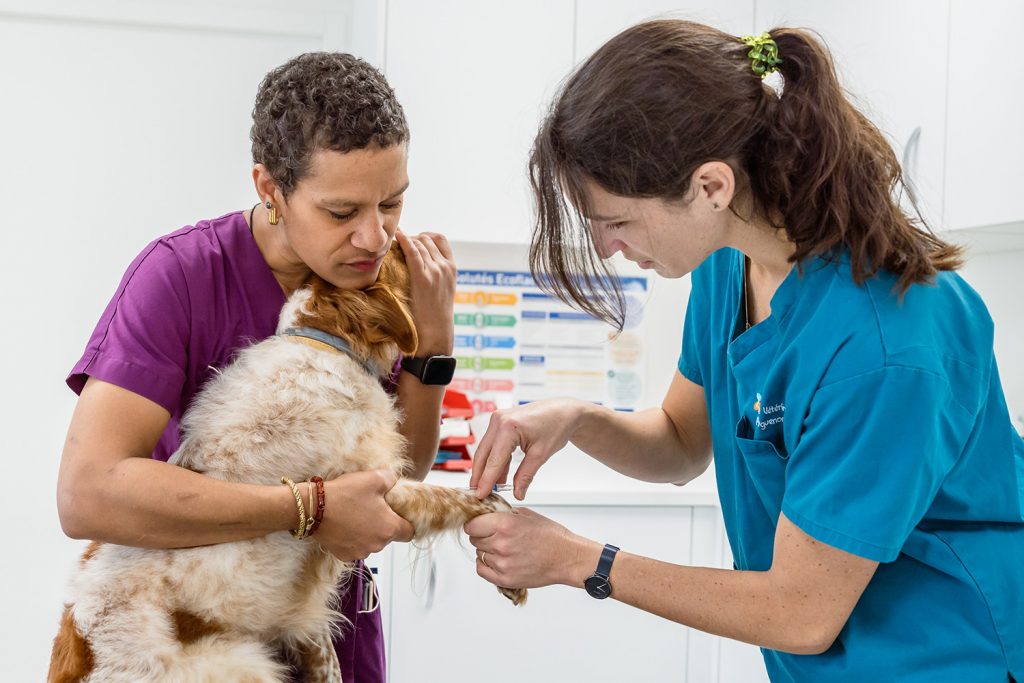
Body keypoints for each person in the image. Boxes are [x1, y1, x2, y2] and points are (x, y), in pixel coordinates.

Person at [466, 20, 1023, 682]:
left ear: (712, 187)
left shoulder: (885, 343)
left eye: (617, 221)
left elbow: (801, 614)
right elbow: (680, 442)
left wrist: (578, 560)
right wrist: (576, 418)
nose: (610, 247)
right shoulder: (727, 266)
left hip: (942, 658)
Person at [57, 52, 456, 681]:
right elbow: (88, 494)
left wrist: (433, 347)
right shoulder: (181, 277)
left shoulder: (379, 278)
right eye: (342, 212)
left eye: (392, 203)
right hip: (186, 638)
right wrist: (310, 508)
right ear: (270, 189)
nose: (375, 237)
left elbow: (397, 473)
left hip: (324, 631)